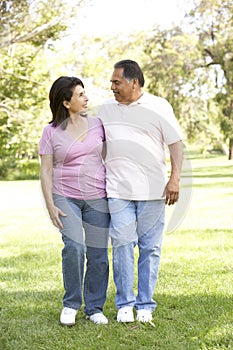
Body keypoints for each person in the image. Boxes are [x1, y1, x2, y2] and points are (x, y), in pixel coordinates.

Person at [97, 60, 183, 323]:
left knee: (150, 248)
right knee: (122, 245)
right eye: (112, 82)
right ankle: (125, 304)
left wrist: (175, 179)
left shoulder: (159, 106)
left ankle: (145, 305)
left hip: (153, 191)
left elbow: (176, 144)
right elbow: (95, 144)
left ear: (134, 82)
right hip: (117, 190)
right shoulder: (104, 110)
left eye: (116, 82)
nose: (112, 87)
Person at [39, 76, 110, 326]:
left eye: (84, 93)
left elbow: (105, 158)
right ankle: (71, 304)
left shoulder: (98, 125)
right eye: (80, 94)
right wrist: (50, 205)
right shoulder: (51, 132)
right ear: (66, 103)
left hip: (97, 197)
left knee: (98, 253)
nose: (86, 97)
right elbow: (46, 170)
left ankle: (94, 307)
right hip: (65, 196)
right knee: (75, 247)